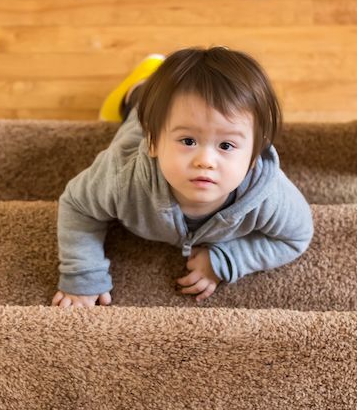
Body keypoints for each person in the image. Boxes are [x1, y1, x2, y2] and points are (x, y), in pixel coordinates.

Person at [51, 46, 314, 307]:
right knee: (142, 102)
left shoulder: (268, 195)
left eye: (226, 146)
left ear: (254, 156)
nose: (205, 161)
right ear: (153, 143)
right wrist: (83, 274)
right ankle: (142, 80)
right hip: (139, 123)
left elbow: (297, 237)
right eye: (188, 140)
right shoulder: (122, 176)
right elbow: (78, 205)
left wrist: (228, 259)